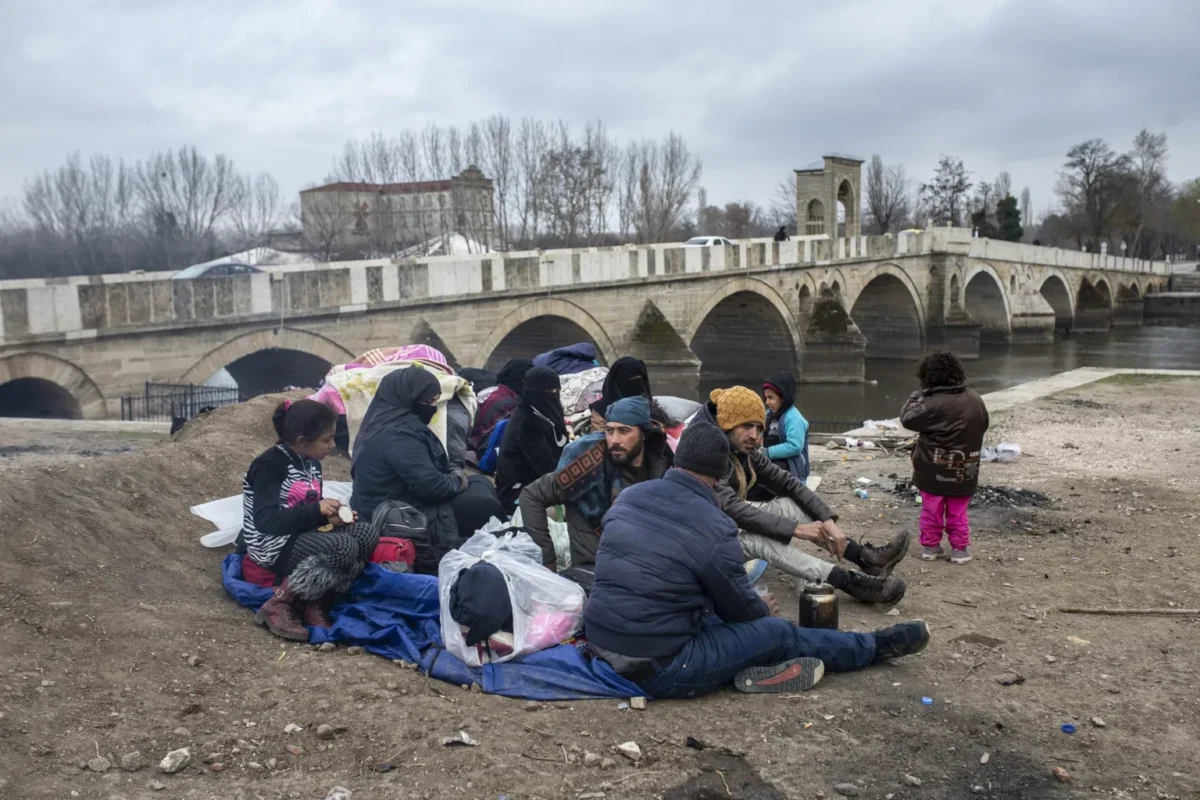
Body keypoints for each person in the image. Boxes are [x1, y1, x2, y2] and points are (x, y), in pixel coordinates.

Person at [584, 422, 930, 698]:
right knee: (778, 633)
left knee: (715, 618)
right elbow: (743, 612)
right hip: (658, 666)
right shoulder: (715, 526)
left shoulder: (629, 497)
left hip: (601, 642)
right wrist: (762, 608)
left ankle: (755, 666)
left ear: (678, 461)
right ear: (720, 476)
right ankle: (874, 646)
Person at [695, 386, 909, 604]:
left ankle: (865, 557)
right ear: (727, 423)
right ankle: (849, 582)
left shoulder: (738, 447)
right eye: (747, 426)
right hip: (704, 547)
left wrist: (827, 520)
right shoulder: (703, 452)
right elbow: (731, 508)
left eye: (759, 428)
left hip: (725, 528)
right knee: (761, 541)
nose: (755, 437)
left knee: (790, 504)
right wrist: (795, 529)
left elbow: (787, 483)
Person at [243, 399, 379, 642]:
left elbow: (308, 505)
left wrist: (332, 517)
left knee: (366, 533)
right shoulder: (268, 465)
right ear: (302, 441)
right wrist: (317, 511)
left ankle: (314, 599)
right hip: (273, 544)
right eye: (326, 440)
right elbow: (266, 521)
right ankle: (280, 603)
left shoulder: (312, 462)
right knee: (343, 547)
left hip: (301, 534)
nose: (333, 445)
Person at [350, 368, 504, 541]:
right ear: (408, 398)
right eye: (429, 401)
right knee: (485, 506)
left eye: (436, 401)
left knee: (480, 481)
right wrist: (456, 480)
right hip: (393, 513)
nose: (433, 408)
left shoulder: (386, 421)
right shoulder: (398, 435)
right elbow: (432, 487)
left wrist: (454, 477)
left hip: (403, 497)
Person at [520, 397, 670, 570]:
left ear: (643, 434)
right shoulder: (589, 463)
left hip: (641, 566)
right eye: (609, 430)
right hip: (592, 568)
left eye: (624, 431)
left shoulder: (658, 467)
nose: (614, 440)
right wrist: (547, 561)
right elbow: (531, 496)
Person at [900, 351, 990, 565]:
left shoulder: (930, 404)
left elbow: (907, 419)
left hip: (933, 469)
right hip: (964, 468)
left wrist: (916, 396)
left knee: (931, 510)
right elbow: (983, 424)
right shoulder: (974, 399)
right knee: (958, 512)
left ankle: (930, 547)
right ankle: (960, 549)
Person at [495, 367, 569, 508]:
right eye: (549, 392)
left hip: (540, 482)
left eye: (556, 392)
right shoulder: (527, 423)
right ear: (533, 392)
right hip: (518, 491)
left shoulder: (543, 414)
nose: (554, 396)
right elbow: (547, 468)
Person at [468, 358, 532, 461]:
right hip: (480, 454)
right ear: (521, 380)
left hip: (470, 446)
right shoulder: (509, 404)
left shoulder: (491, 390)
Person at [762, 370, 810, 482]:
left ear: (783, 397)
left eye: (771, 397)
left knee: (773, 470)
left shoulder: (794, 418)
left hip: (791, 466)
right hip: (772, 459)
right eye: (765, 398)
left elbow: (794, 446)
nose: (767, 402)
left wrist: (767, 452)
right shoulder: (769, 414)